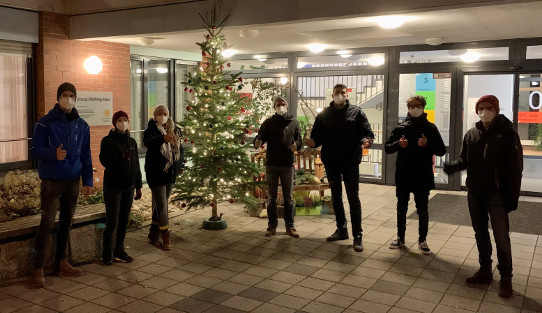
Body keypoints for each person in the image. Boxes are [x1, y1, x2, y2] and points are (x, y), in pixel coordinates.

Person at [444, 95, 523, 298]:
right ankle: (485, 271)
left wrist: (512, 195)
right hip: (476, 192)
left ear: (496, 109)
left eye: (488, 107)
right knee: (480, 233)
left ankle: (506, 277)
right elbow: (465, 159)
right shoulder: (472, 134)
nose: (484, 111)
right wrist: (453, 166)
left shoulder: (507, 134)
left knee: (501, 237)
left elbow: (515, 167)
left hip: (497, 194)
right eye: (481, 107)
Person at [29, 82, 93, 287]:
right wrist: (52, 154)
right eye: (65, 95)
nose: (69, 99)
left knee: (67, 222)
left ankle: (61, 262)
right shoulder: (45, 123)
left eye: (72, 95)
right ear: (58, 98)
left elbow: (86, 155)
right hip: (52, 181)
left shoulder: (82, 125)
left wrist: (88, 180)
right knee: (46, 223)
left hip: (73, 181)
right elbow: (34, 150)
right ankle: (37, 268)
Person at [306, 83, 374, 252]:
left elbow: (367, 133)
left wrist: (366, 140)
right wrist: (312, 142)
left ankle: (358, 235)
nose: (340, 95)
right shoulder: (324, 115)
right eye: (337, 93)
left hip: (350, 161)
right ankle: (341, 229)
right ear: (332, 95)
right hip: (331, 161)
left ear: (347, 94)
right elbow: (317, 137)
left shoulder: (356, 112)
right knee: (336, 196)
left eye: (342, 93)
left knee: (353, 198)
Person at [385, 96, 446, 255]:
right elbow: (388, 147)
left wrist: (427, 145)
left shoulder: (431, 128)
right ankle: (400, 238)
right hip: (404, 174)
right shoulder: (401, 127)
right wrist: (399, 144)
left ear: (424, 107)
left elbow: (441, 150)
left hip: (422, 174)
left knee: (422, 209)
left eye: (418, 106)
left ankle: (422, 240)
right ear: (408, 108)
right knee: (401, 208)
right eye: (411, 106)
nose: (414, 108)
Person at [254, 96, 302, 238]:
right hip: (272, 164)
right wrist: (258, 141)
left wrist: (297, 146)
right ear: (274, 106)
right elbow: (260, 136)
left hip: (287, 164)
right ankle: (272, 226)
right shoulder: (269, 122)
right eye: (278, 104)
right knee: (272, 198)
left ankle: (290, 226)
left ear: (286, 106)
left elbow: (299, 139)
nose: (280, 106)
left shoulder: (294, 122)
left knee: (288, 197)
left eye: (283, 104)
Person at [100, 110, 143, 265]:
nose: (123, 122)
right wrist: (120, 158)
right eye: (120, 119)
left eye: (125, 119)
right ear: (114, 122)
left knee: (124, 219)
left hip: (129, 186)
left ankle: (119, 250)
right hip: (113, 186)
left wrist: (138, 186)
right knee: (112, 220)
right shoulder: (108, 141)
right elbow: (105, 161)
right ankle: (106, 253)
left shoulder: (131, 142)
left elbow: (136, 165)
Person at [144, 105, 183, 250]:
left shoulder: (175, 130)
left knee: (161, 204)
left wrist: (178, 167)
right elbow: (147, 143)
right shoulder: (151, 130)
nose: (163, 116)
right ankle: (165, 236)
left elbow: (180, 150)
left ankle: (153, 233)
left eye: (165, 113)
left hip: (170, 173)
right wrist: (162, 139)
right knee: (163, 207)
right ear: (155, 116)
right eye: (159, 114)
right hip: (156, 174)